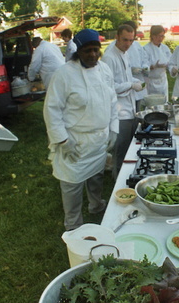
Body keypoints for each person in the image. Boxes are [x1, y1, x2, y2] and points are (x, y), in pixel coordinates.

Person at [43, 29, 119, 231]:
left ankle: (96, 205)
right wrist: (62, 141)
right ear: (79, 52)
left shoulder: (104, 69)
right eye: (87, 51)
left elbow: (112, 100)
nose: (93, 55)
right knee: (72, 185)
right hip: (74, 141)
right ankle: (73, 225)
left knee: (97, 176)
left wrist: (113, 128)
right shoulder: (64, 74)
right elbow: (52, 110)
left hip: (98, 139)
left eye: (96, 50)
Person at [101, 24, 143, 178]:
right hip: (119, 111)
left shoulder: (125, 53)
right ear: (117, 37)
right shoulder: (109, 57)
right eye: (125, 40)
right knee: (120, 148)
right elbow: (109, 87)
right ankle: (117, 179)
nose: (128, 44)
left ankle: (127, 175)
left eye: (131, 40)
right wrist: (131, 85)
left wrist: (134, 80)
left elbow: (125, 77)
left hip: (130, 108)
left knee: (129, 147)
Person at [143, 25, 171, 99]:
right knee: (153, 102)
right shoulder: (146, 49)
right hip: (152, 81)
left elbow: (171, 61)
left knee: (164, 101)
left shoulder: (165, 48)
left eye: (162, 36)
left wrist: (171, 68)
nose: (160, 38)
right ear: (153, 36)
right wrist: (153, 66)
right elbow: (144, 65)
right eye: (159, 36)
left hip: (163, 79)